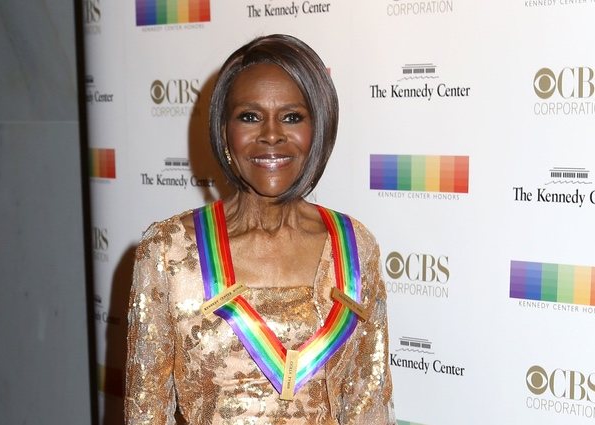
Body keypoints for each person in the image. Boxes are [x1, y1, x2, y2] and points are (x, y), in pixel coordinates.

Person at [125, 34, 395, 424]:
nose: (271, 134)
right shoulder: (169, 251)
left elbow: (369, 406)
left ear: (318, 129)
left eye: (292, 116)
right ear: (224, 131)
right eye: (250, 116)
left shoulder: (354, 248)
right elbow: (144, 412)